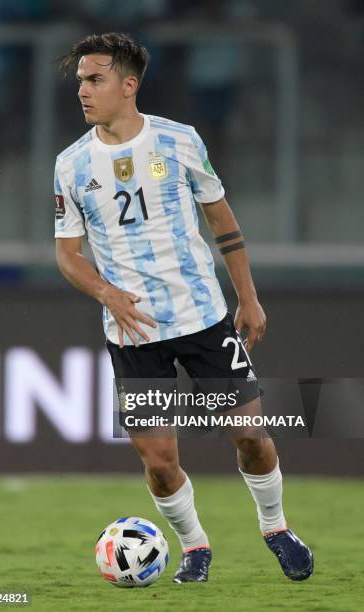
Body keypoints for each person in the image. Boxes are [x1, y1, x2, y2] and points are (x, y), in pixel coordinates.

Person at [54, 32, 313, 584]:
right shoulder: (70, 165)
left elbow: (222, 221)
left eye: (94, 79)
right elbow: (68, 255)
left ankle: (276, 527)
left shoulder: (179, 141)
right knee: (159, 462)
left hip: (202, 317)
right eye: (80, 80)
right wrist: (107, 294)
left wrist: (248, 296)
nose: (83, 90)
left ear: (129, 85)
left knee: (251, 436)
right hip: (132, 334)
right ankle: (195, 547)